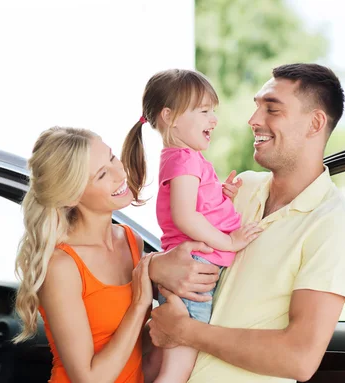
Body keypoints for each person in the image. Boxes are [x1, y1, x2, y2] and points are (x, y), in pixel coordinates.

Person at [147, 63, 345, 383]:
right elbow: (181, 250)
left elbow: (299, 358)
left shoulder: (333, 226)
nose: (253, 120)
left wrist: (186, 331)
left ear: (315, 123)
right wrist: (156, 266)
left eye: (272, 109)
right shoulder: (241, 189)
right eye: (256, 107)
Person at [121, 69, 262, 383]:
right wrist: (230, 241)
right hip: (194, 271)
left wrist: (220, 198)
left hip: (192, 269)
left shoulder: (185, 158)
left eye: (213, 111)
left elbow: (195, 208)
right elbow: (184, 217)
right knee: (178, 371)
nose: (213, 119)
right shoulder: (184, 159)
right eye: (203, 111)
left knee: (172, 366)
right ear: (169, 116)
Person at [13, 127, 154, 383]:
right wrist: (139, 305)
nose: (119, 173)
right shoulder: (62, 266)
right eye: (102, 175)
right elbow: (89, 380)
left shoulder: (130, 240)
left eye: (111, 158)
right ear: (71, 196)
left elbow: (133, 347)